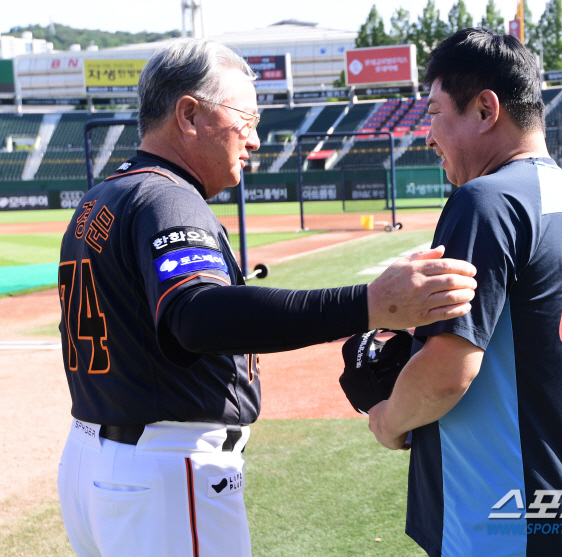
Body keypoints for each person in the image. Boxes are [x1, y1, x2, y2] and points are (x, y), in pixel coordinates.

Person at [56, 38, 477, 557]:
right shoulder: (167, 197)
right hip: (164, 470)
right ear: (188, 114)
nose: (254, 140)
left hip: (97, 459)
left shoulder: (105, 194)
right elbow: (198, 316)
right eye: (245, 119)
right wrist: (368, 303)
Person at [368, 29, 562, 557]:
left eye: (434, 113)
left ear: (485, 109)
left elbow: (446, 371)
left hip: (504, 524)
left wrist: (387, 420)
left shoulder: (486, 200)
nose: (427, 135)